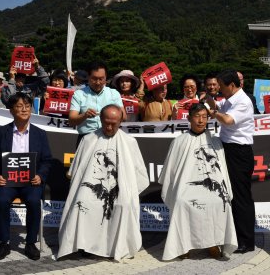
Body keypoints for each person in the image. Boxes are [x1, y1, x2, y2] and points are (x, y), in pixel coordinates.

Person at [58, 105, 149, 261]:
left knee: (124, 204)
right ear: (100, 119)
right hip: (93, 186)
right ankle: (85, 244)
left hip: (118, 188)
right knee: (83, 202)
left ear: (121, 121)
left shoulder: (130, 142)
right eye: (106, 122)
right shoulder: (88, 140)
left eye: (114, 123)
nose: (109, 127)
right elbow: (76, 172)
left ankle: (117, 246)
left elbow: (139, 175)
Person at [159, 103, 237, 260]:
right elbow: (171, 172)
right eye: (197, 117)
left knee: (220, 201)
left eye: (204, 117)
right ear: (188, 118)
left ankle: (213, 243)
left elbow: (221, 170)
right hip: (186, 188)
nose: (201, 121)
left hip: (212, 187)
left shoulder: (215, 142)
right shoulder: (179, 141)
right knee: (181, 202)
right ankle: (183, 245)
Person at [0, 92, 53, 261]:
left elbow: (47, 160)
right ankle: (4, 242)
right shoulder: (1, 132)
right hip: (7, 181)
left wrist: (40, 176)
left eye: (27, 106)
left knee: (33, 201)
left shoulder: (40, 133)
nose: (24, 110)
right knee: (1, 200)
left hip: (30, 182)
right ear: (11, 110)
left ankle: (30, 243)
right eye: (19, 106)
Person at [206, 69, 256, 253]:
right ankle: (235, 236)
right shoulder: (229, 100)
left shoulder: (243, 101)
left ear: (232, 85)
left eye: (221, 85)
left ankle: (247, 242)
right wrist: (211, 103)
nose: (218, 88)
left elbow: (227, 120)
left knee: (241, 197)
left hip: (239, 153)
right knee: (231, 195)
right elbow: (221, 110)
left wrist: (211, 112)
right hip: (228, 150)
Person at [69, 62, 126, 143]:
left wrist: (111, 115)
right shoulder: (79, 94)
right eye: (94, 79)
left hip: (110, 138)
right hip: (86, 138)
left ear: (106, 78)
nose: (98, 82)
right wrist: (84, 115)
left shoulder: (114, 93)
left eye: (101, 79)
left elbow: (123, 117)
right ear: (88, 77)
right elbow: (71, 121)